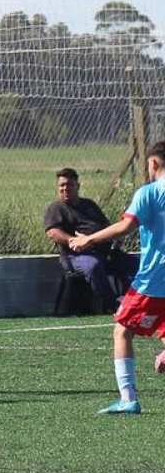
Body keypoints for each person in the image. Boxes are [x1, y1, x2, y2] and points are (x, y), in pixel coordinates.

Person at [67, 140, 165, 416]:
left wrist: (88, 240)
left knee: (122, 329)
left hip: (154, 279)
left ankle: (128, 398)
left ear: (153, 163)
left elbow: (125, 226)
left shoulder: (149, 192)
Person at [44, 167, 134, 314]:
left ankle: (134, 302)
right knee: (93, 266)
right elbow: (53, 232)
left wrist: (115, 238)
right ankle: (114, 306)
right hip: (76, 255)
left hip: (104, 252)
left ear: (78, 186)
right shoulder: (56, 208)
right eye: (62, 185)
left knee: (134, 264)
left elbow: (106, 226)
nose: (65, 188)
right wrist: (74, 241)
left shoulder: (89, 205)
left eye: (69, 184)